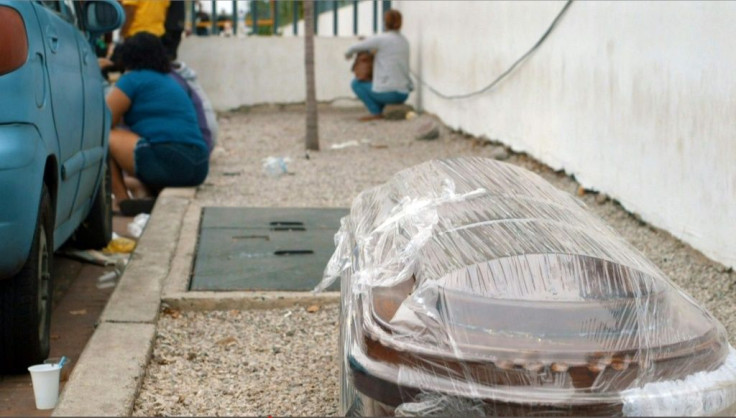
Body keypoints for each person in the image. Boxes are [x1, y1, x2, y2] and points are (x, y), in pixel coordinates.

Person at [106, 32, 209, 214]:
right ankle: (146, 194)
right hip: (199, 165)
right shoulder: (169, 80)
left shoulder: (132, 79)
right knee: (143, 142)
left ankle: (120, 200)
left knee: (105, 136)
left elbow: (105, 119)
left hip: (170, 159)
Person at [345, 9, 413, 121]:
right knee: (378, 84)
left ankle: (375, 112)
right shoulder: (405, 41)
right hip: (404, 94)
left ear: (385, 23)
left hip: (389, 94)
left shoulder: (381, 39)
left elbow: (354, 48)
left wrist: (348, 55)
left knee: (356, 83)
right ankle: (381, 110)